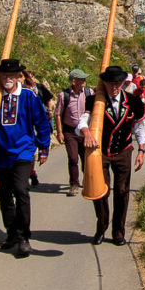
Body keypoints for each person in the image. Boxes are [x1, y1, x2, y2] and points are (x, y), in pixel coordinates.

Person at [0, 58, 51, 258]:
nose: (7, 78)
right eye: (4, 75)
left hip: (23, 150)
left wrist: (43, 147)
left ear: (18, 76)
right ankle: (12, 232)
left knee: (21, 189)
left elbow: (41, 121)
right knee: (4, 194)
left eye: (11, 75)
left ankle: (24, 236)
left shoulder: (27, 96)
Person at [78, 65, 145, 245]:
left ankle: (118, 232)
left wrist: (141, 149)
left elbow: (140, 127)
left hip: (124, 150)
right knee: (101, 191)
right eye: (110, 84)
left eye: (117, 83)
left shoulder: (134, 102)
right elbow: (83, 121)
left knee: (122, 191)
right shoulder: (94, 101)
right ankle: (101, 227)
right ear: (104, 84)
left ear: (123, 83)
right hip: (101, 151)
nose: (114, 87)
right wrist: (86, 132)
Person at [54, 69, 92, 197]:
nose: (85, 81)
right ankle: (74, 184)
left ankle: (87, 181)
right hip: (70, 131)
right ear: (74, 81)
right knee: (73, 157)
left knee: (86, 158)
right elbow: (58, 114)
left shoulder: (88, 93)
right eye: (82, 79)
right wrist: (60, 132)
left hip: (85, 131)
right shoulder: (63, 95)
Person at [22, 69, 53, 187]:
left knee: (31, 150)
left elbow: (48, 98)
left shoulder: (37, 89)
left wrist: (49, 110)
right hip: (24, 126)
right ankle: (29, 174)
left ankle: (30, 173)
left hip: (36, 121)